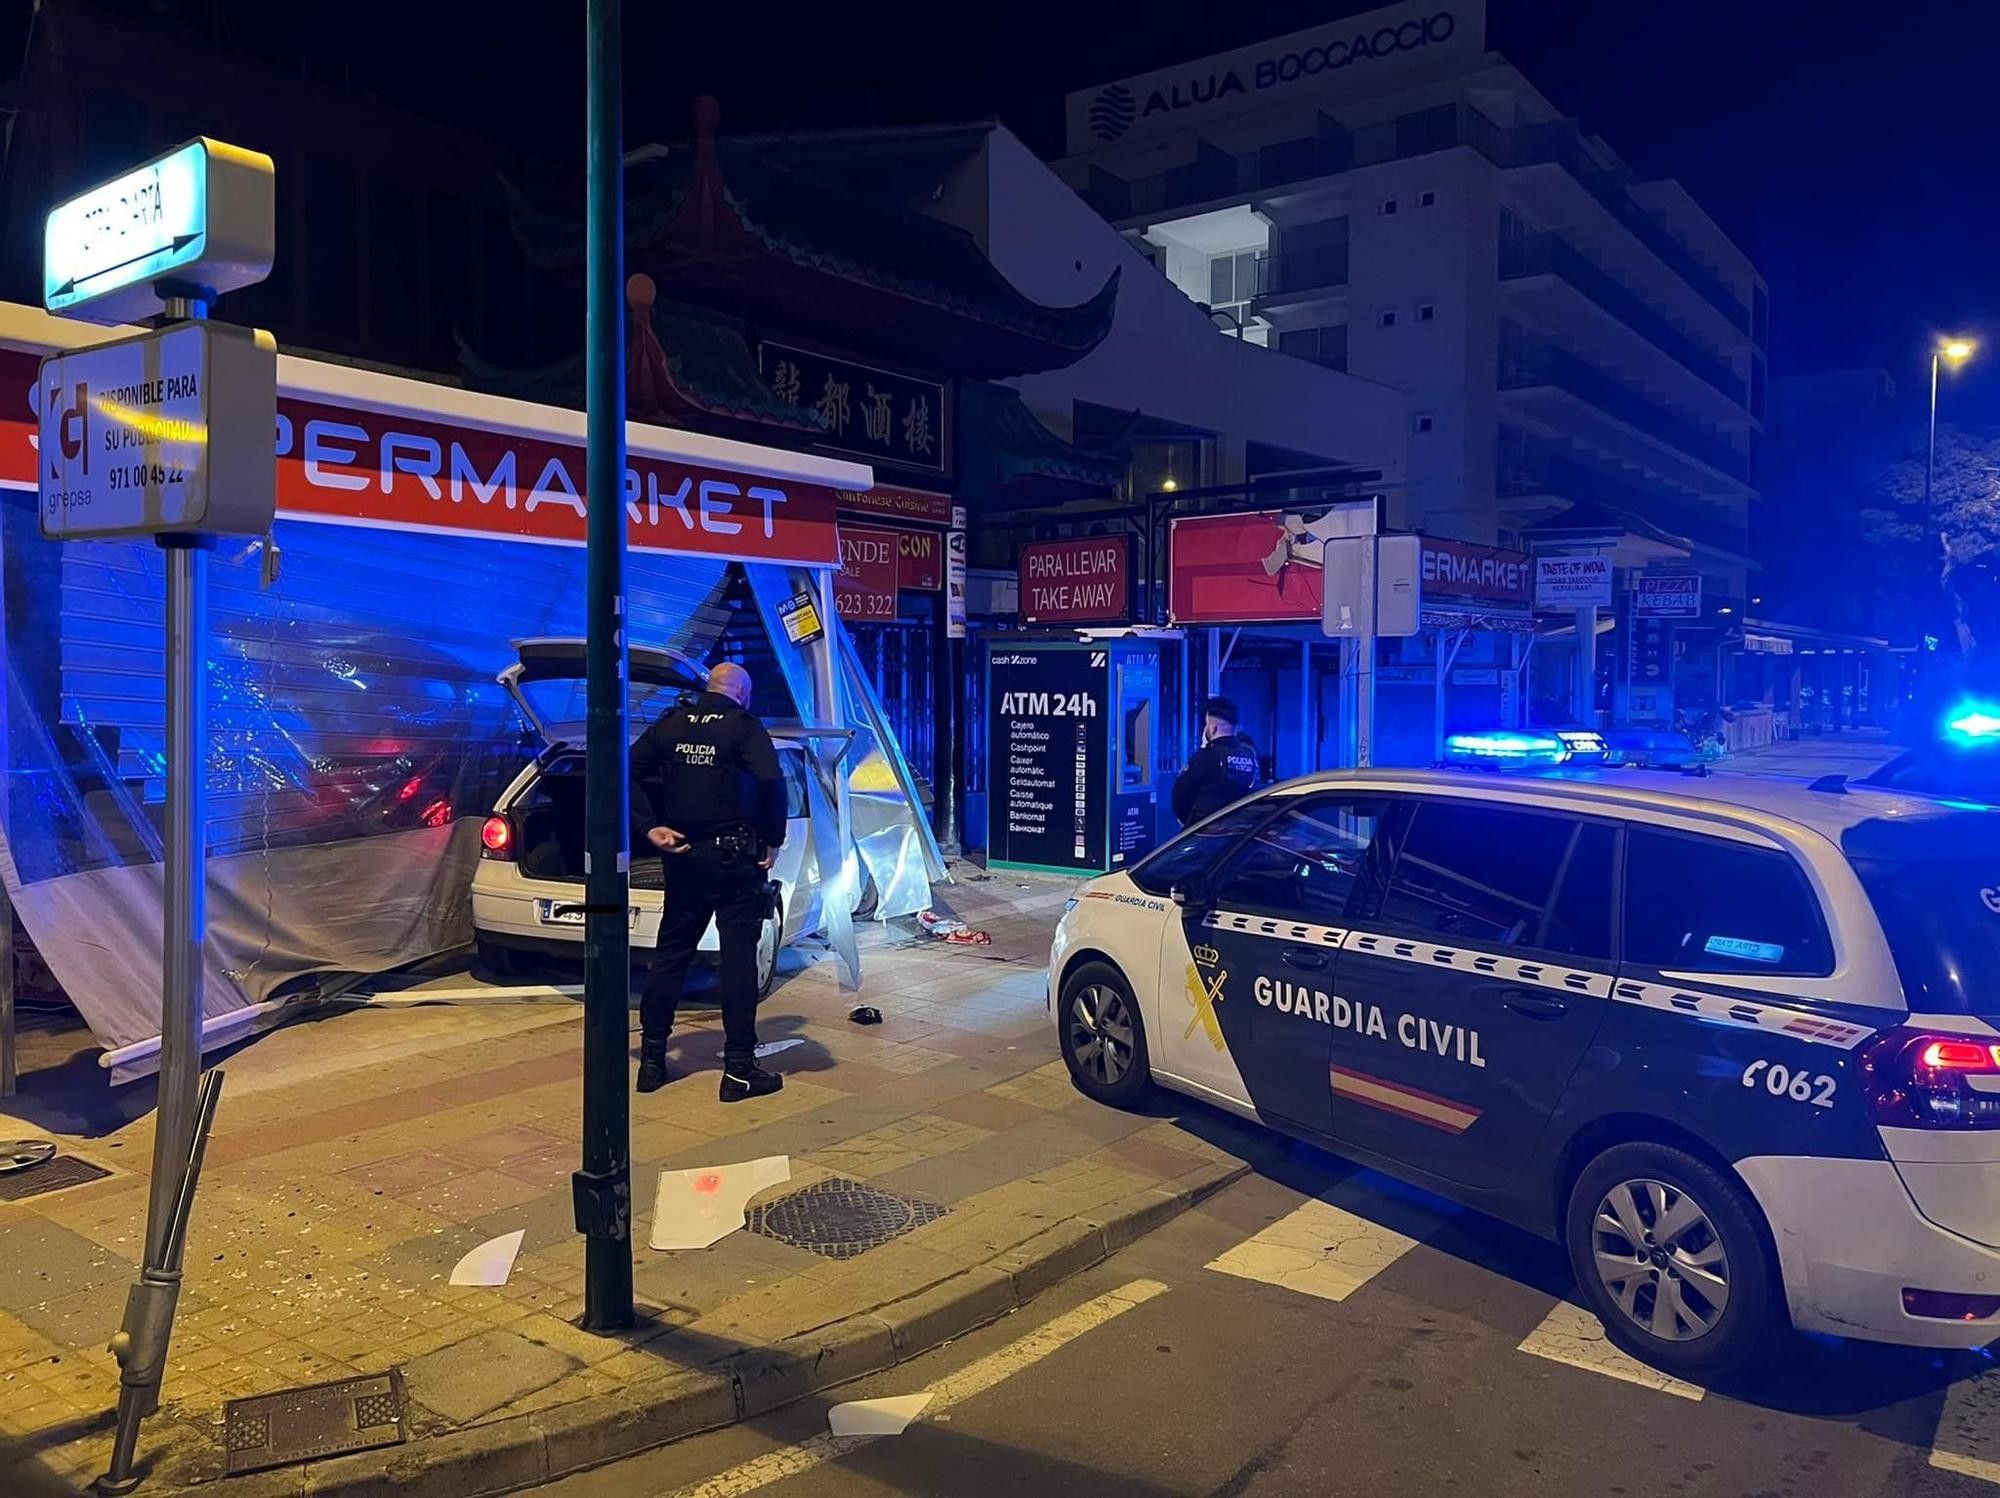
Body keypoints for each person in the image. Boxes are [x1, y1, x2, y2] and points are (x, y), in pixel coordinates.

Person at [630, 661, 788, 1101]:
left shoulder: (671, 724)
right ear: (740, 692)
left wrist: (648, 827)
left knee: (670, 955)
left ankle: (653, 1062)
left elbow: (626, 770)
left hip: (682, 855)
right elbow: (772, 782)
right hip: (734, 858)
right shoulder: (743, 726)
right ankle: (739, 1069)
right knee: (738, 961)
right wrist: (773, 840)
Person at [1172, 696, 1261, 827]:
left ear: (1212, 728)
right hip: (1238, 833)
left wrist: (1190, 825)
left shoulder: (1205, 758)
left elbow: (1181, 796)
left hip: (1205, 834)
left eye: (1206, 724)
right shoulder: (1249, 757)